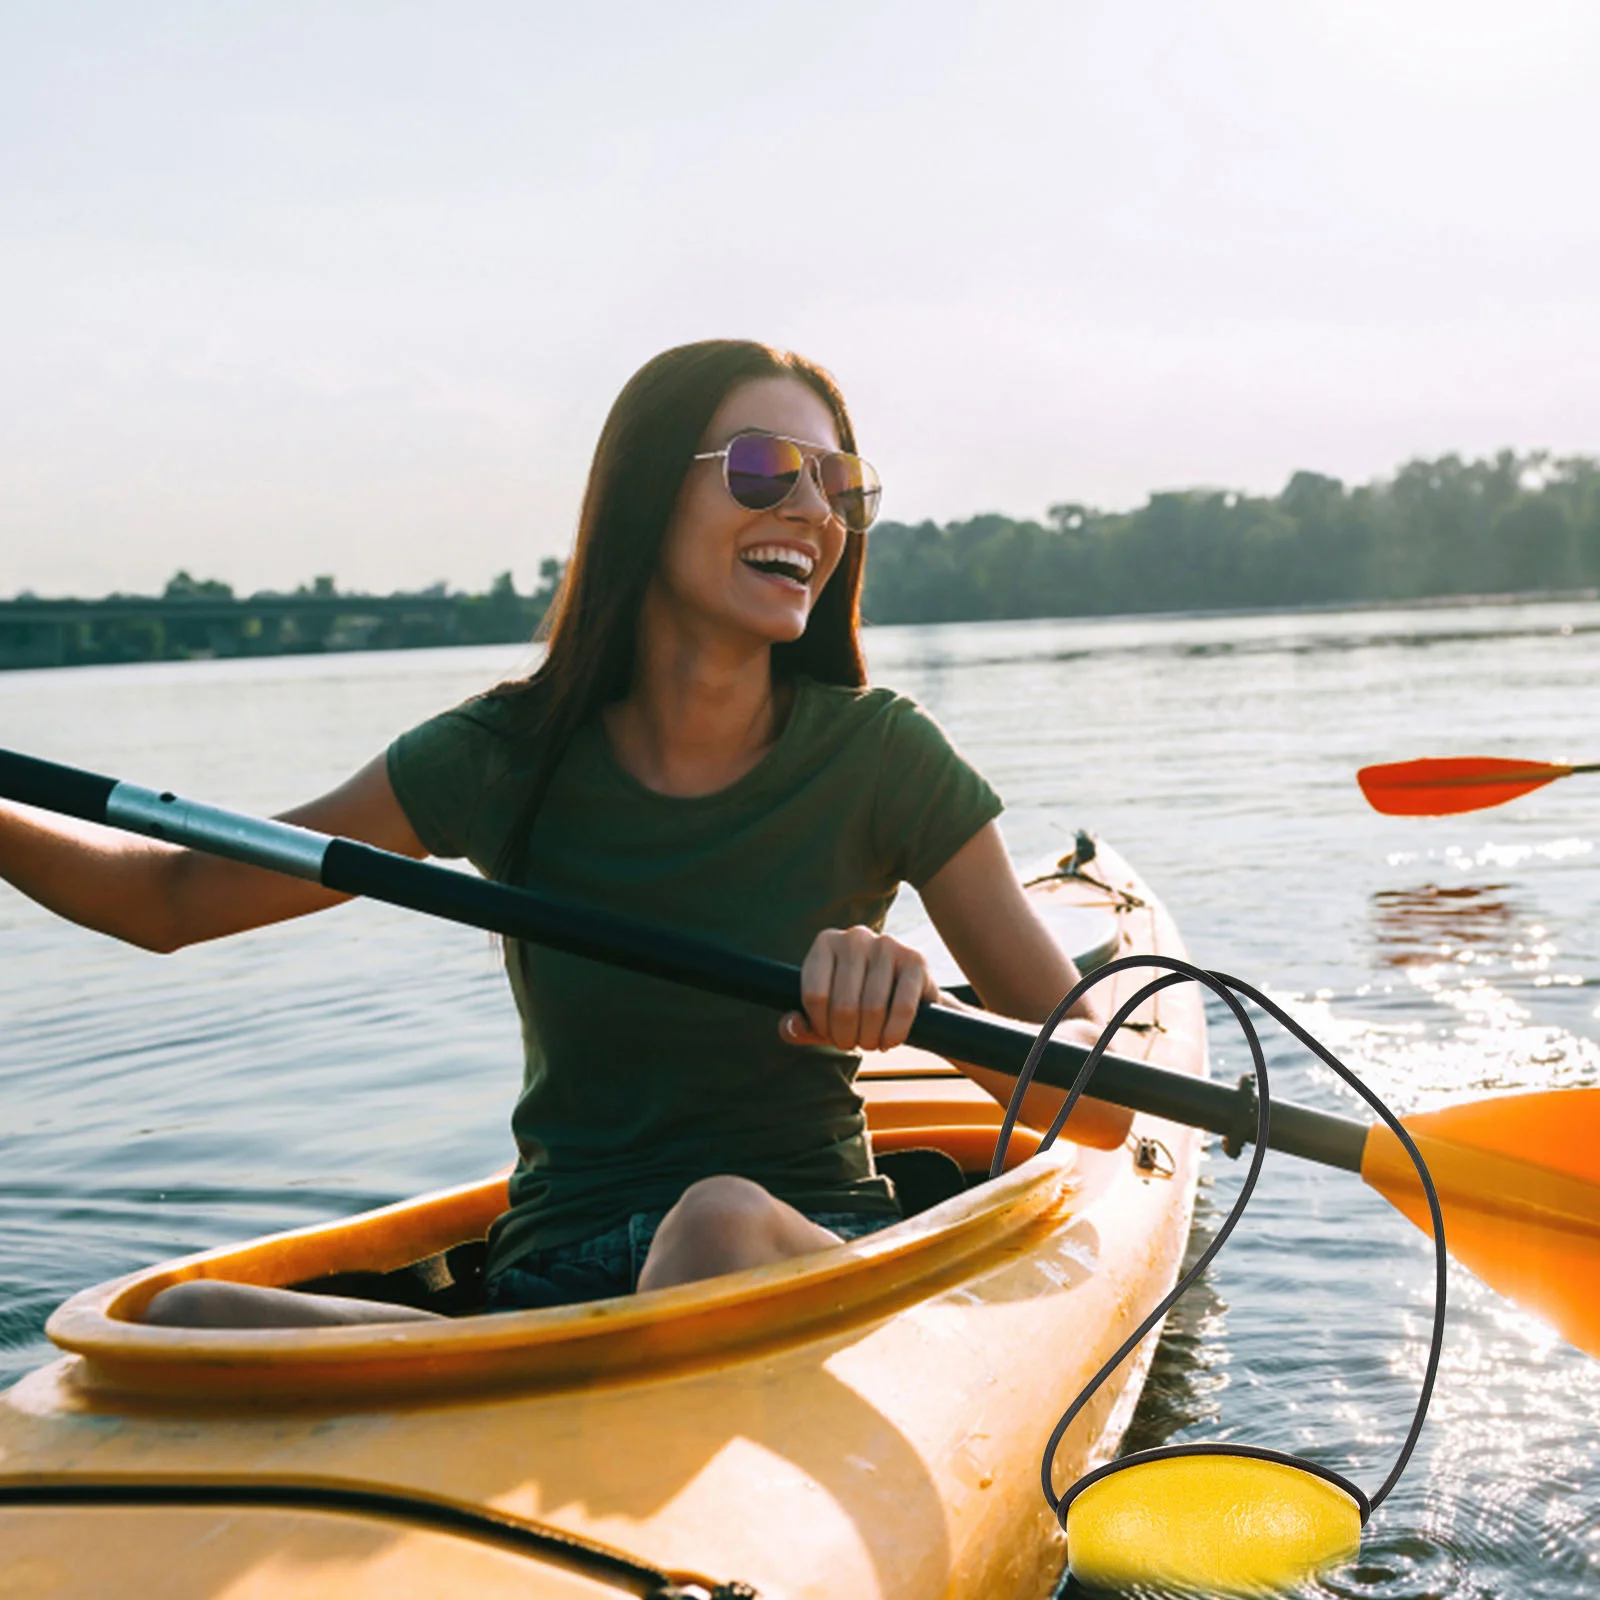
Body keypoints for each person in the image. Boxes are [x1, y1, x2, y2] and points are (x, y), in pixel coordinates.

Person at [0, 339, 1105, 1329]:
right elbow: (170, 898)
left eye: (840, 487)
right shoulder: (501, 753)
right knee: (186, 1316)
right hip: (549, 1284)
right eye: (767, 470)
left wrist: (921, 1003)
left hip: (791, 1255)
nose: (814, 512)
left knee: (713, 1222)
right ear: (642, 496)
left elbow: (1095, 1098)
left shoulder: (883, 756)